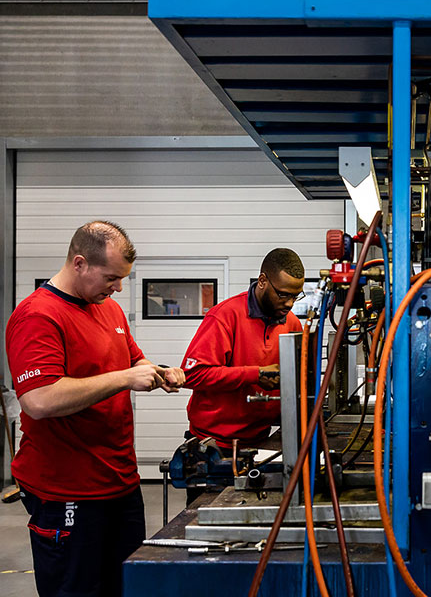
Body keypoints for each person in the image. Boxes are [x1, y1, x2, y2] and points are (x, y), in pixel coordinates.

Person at [5, 221, 185, 597]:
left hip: (119, 484)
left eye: (122, 279)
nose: (118, 288)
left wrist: (160, 372)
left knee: (126, 587)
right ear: (80, 263)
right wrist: (124, 379)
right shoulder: (38, 316)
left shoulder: (110, 311)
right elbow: (38, 400)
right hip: (66, 490)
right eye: (112, 277)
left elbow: (135, 364)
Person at [180, 248, 305, 501]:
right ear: (262, 281)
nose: (289, 303)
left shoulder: (292, 324)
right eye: (283, 294)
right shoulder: (225, 316)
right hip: (215, 450)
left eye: (295, 296)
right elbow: (192, 375)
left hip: (260, 446)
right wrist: (254, 374)